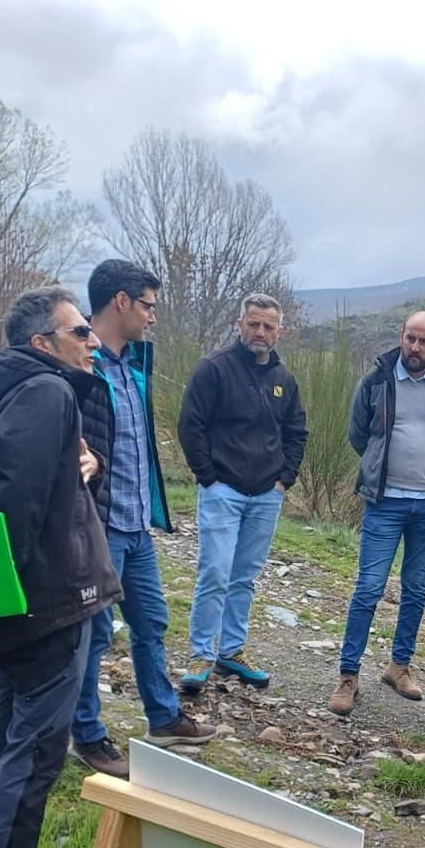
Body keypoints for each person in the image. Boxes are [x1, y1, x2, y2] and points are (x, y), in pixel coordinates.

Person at [0, 286, 122, 848]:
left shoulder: (1, 393)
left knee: (3, 734)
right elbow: (10, 504)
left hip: (17, 595)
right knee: (35, 747)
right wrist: (0, 596)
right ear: (42, 345)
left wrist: (82, 465)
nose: (93, 342)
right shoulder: (47, 393)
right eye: (80, 332)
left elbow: (10, 483)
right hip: (46, 597)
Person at [70, 260, 214, 779]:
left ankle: (164, 718)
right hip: (98, 524)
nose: (154, 317)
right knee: (94, 632)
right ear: (122, 302)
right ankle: (86, 735)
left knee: (150, 622)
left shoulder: (134, 364)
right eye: (149, 305)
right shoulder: (79, 362)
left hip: (135, 525)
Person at [328, 311, 425, 716]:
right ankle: (348, 676)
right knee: (369, 587)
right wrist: (379, 468)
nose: (415, 347)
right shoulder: (376, 381)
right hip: (385, 502)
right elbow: (359, 433)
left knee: (416, 590)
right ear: (401, 337)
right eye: (410, 338)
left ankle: (399, 666)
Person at [177, 293, 308, 694]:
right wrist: (208, 477)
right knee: (215, 571)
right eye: (253, 323)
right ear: (240, 324)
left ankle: (231, 652)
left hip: (266, 494)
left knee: (245, 577)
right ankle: (202, 652)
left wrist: (285, 479)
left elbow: (296, 432)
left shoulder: (284, 380)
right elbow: (190, 425)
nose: (260, 332)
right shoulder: (214, 369)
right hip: (223, 490)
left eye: (268, 326)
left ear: (279, 332)